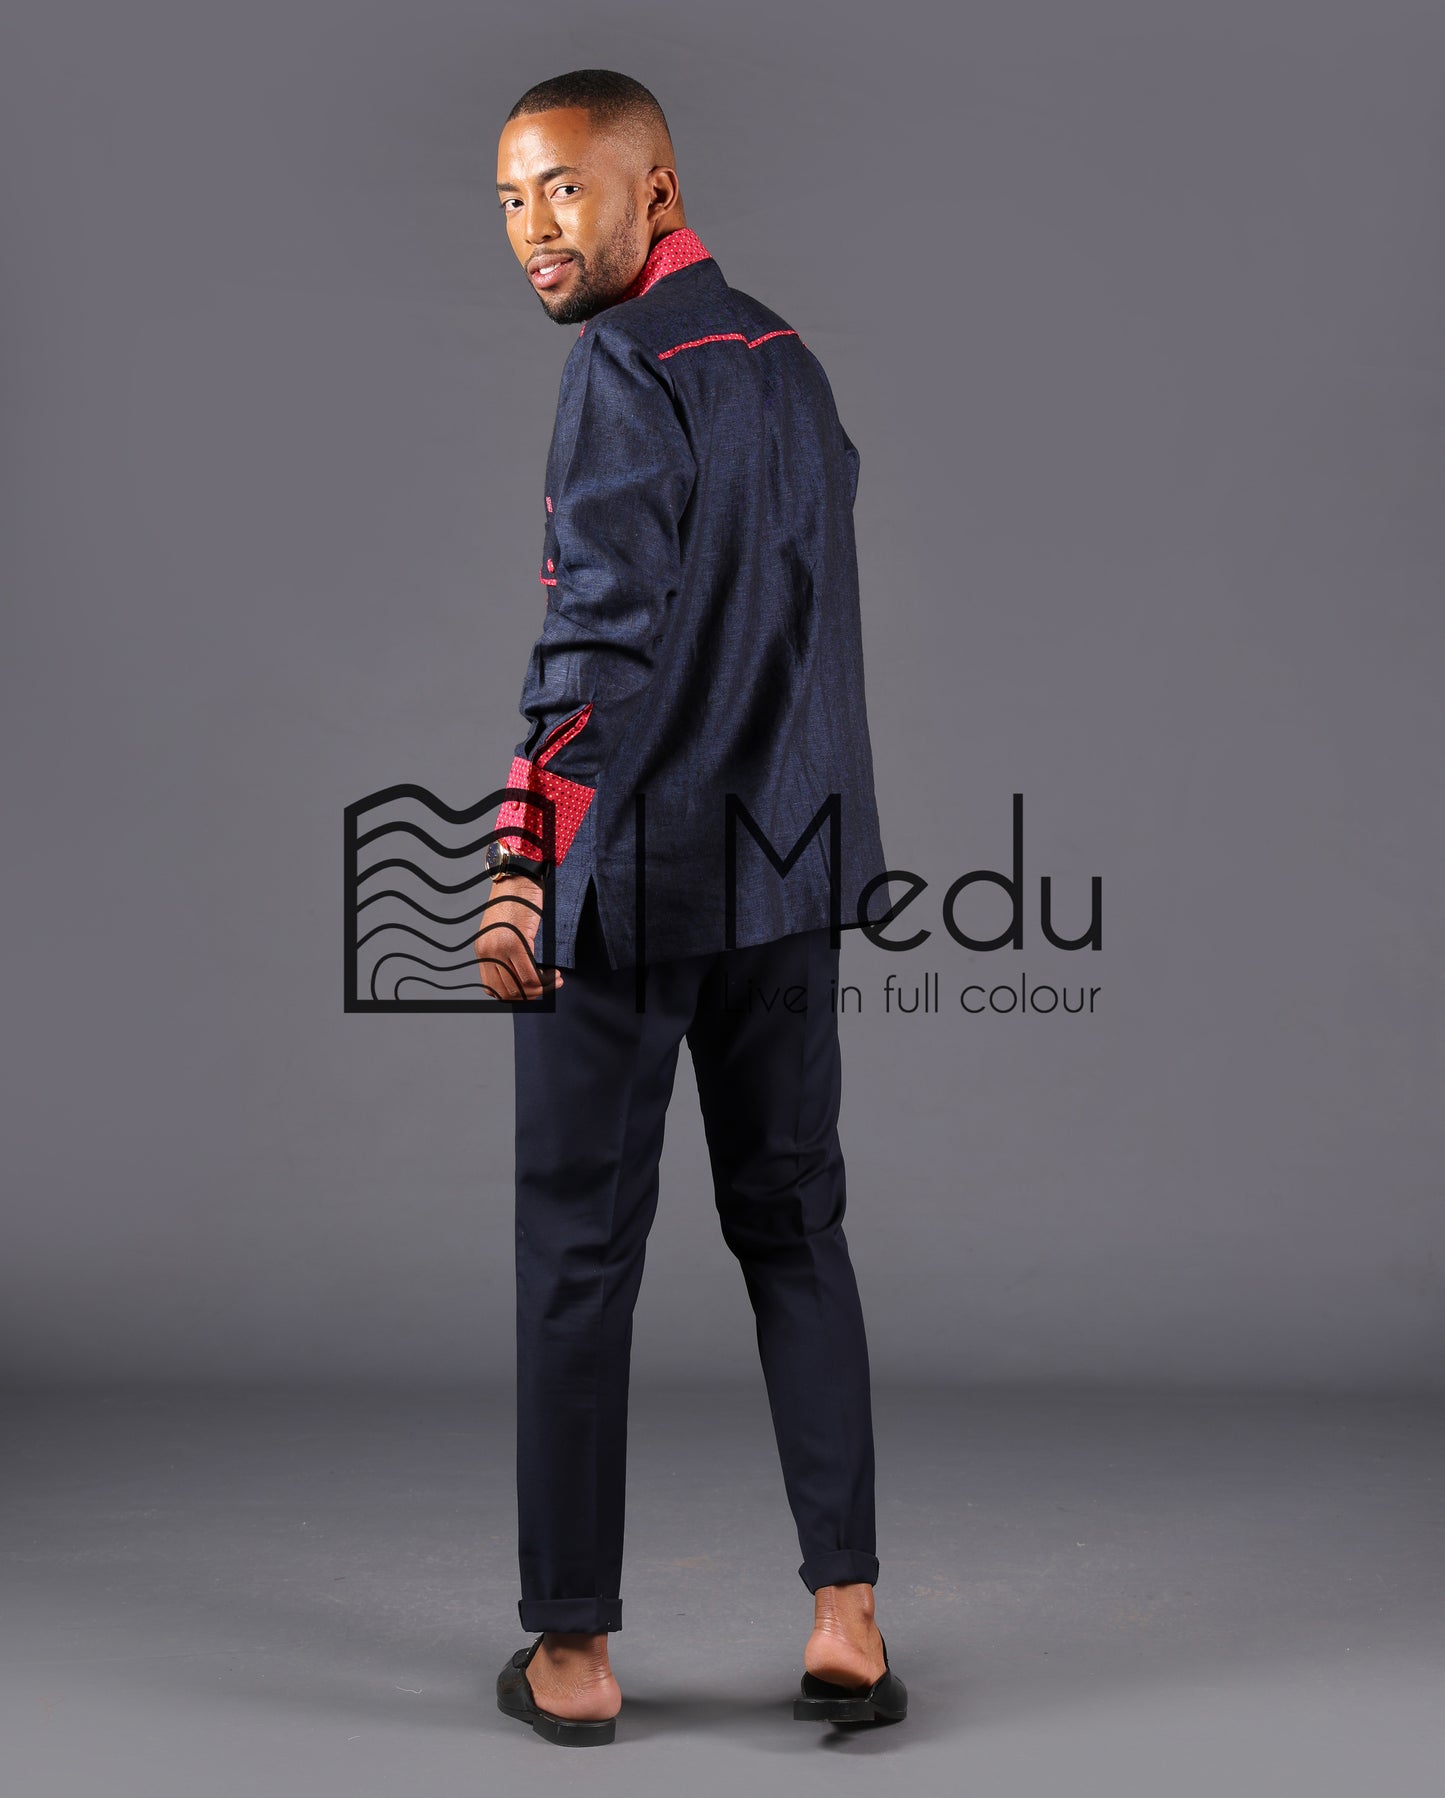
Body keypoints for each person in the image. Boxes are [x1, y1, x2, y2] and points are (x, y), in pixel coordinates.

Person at [474, 68, 905, 1746]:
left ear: (654, 189)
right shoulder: (788, 363)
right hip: (786, 877)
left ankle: (573, 1652)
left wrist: (523, 858)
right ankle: (847, 1617)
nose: (533, 229)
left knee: (576, 1254)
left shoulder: (620, 365)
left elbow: (596, 640)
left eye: (564, 189)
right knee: (795, 1225)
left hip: (633, 880)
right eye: (509, 199)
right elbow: (801, 627)